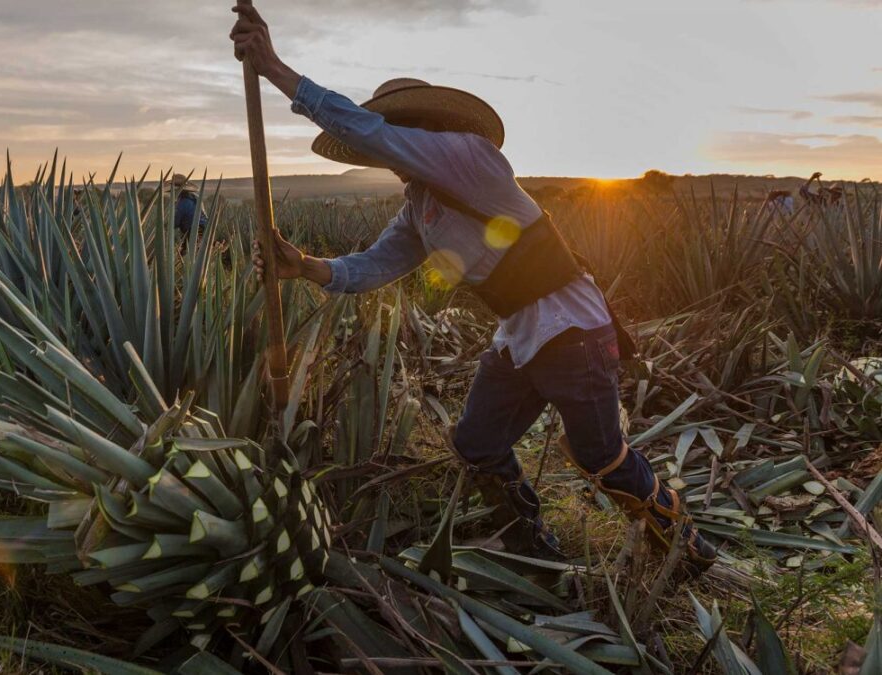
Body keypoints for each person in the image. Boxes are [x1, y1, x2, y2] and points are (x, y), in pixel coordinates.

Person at [230, 5, 717, 572]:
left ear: (425, 128)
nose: (389, 153)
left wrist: (275, 69)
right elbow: (375, 266)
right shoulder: (421, 206)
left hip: (572, 331)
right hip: (520, 337)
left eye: (400, 134)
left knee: (599, 455)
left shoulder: (469, 157)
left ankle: (685, 548)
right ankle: (531, 547)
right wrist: (305, 266)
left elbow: (370, 132)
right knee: (477, 444)